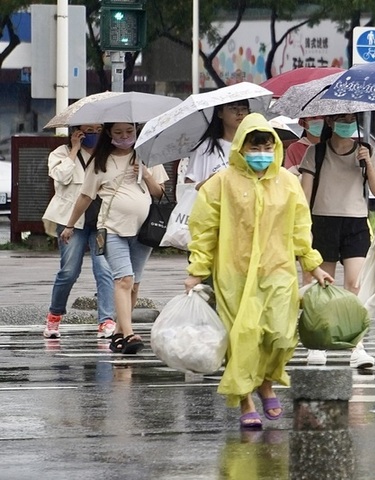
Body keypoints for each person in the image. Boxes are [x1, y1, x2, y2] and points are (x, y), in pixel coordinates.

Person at [184, 113, 333, 430]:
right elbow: (204, 229)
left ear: (276, 147)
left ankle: (266, 382)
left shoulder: (288, 183)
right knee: (243, 338)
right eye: (255, 147)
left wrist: (313, 265)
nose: (261, 153)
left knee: (279, 335)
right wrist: (197, 270)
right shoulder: (221, 184)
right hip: (233, 274)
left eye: (267, 146)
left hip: (278, 271)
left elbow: (300, 228)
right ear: (241, 148)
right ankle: (245, 400)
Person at [60, 122, 169, 355]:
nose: (124, 136)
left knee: (134, 283)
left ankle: (120, 332)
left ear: (136, 131)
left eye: (129, 131)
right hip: (111, 229)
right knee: (123, 280)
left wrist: (146, 173)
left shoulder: (147, 156)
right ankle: (129, 334)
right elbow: (85, 196)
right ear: (108, 134)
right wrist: (70, 225)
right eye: (118, 132)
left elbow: (160, 192)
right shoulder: (100, 162)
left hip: (143, 231)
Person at [298, 113, 375, 369]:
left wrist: (369, 163)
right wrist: (303, 229)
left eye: (350, 118)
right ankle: (319, 344)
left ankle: (358, 345)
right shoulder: (315, 152)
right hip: (322, 221)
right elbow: (304, 195)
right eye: (340, 118)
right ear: (330, 122)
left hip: (356, 222)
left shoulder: (365, 150)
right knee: (322, 287)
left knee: (356, 285)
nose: (346, 123)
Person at [41, 124, 116, 339]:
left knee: (104, 269)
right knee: (69, 271)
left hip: (102, 221)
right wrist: (74, 149)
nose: (93, 133)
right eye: (88, 129)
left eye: (98, 129)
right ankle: (54, 316)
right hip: (70, 222)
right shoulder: (61, 153)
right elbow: (62, 177)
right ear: (77, 131)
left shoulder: (108, 154)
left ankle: (106, 320)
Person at [184, 99, 251, 188]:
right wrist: (211, 181)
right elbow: (189, 186)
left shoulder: (253, 146)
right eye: (234, 108)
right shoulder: (204, 147)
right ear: (220, 113)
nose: (240, 113)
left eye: (244, 109)